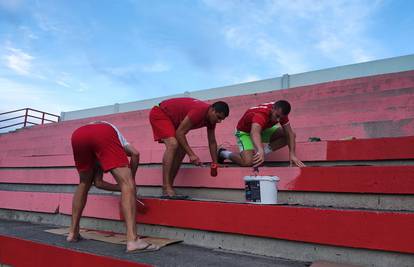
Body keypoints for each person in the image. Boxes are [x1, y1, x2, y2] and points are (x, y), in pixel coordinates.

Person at [68, 121, 157, 252]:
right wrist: (130, 184)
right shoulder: (117, 141)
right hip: (103, 131)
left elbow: (98, 183)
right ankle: (133, 241)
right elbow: (135, 154)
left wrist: (121, 187)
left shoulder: (96, 156)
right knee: (127, 183)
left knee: (83, 183)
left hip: (78, 134)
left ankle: (72, 233)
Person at [149, 97, 229, 199]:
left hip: (173, 120)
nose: (219, 121)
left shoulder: (211, 119)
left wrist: (215, 162)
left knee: (182, 149)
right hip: (160, 113)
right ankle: (166, 187)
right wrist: (192, 154)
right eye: (218, 117)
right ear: (212, 110)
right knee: (173, 144)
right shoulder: (199, 110)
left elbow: (212, 141)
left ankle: (169, 186)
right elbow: (180, 133)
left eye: (221, 119)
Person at [218, 100, 305, 168]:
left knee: (291, 136)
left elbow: (289, 133)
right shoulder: (261, 114)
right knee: (247, 162)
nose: (278, 120)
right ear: (273, 109)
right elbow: (254, 132)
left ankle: (258, 156)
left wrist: (292, 154)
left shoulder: (280, 112)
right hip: (245, 132)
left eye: (281, 118)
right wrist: (260, 150)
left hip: (262, 129)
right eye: (277, 116)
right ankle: (223, 153)